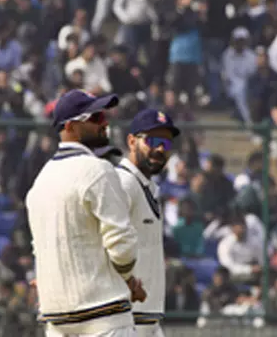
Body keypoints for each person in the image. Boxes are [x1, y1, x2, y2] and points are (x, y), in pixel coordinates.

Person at [26, 89, 146, 337]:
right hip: (103, 314)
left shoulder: (40, 181)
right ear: (70, 126)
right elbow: (121, 243)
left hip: (57, 318)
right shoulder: (98, 170)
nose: (104, 123)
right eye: (95, 118)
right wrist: (129, 280)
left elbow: (41, 248)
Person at [115, 109, 180, 337]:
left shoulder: (149, 186)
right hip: (125, 320)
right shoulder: (121, 183)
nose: (160, 149)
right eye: (152, 140)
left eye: (166, 143)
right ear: (131, 141)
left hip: (147, 319)